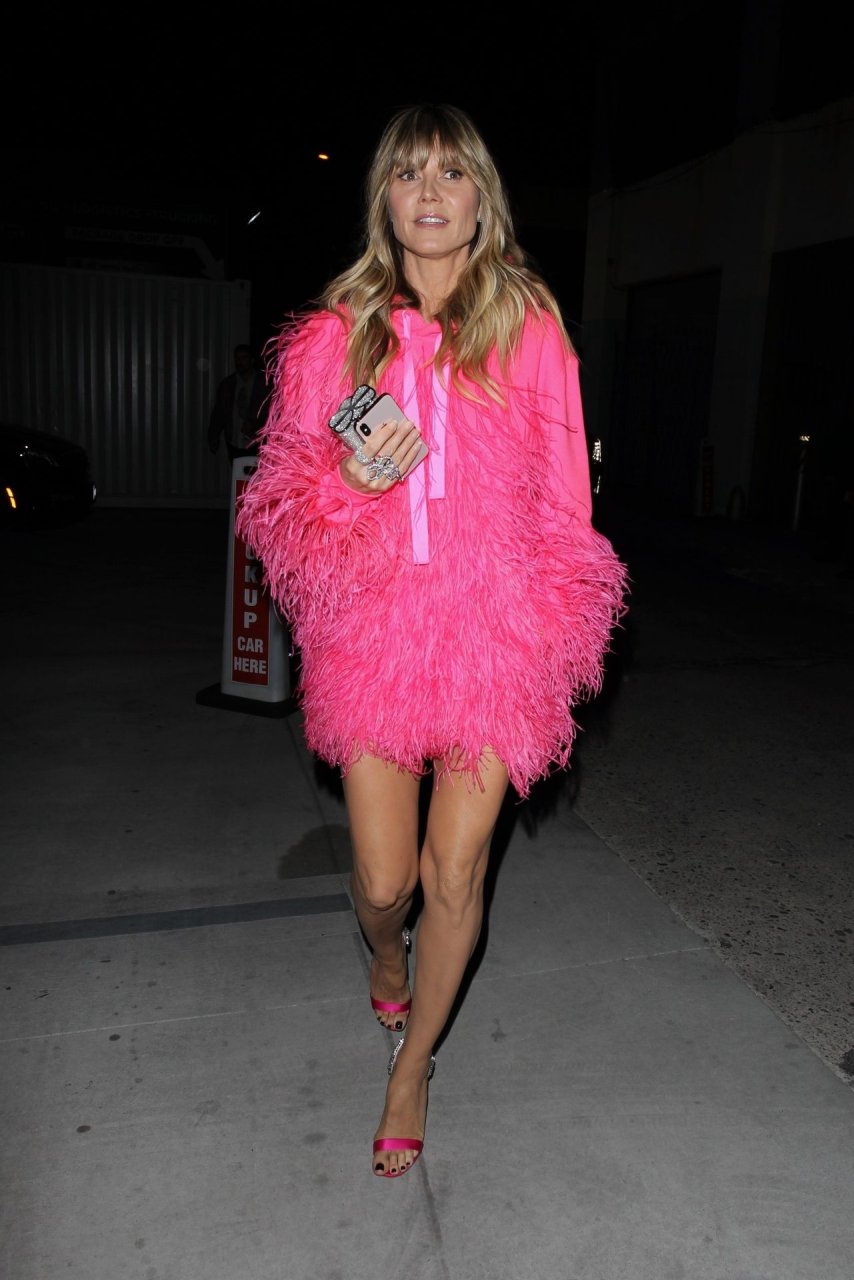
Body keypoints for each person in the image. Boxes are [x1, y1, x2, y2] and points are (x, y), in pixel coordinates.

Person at [235, 103, 629, 1178]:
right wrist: (349, 482)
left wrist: (548, 636)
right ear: (385, 200)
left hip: (497, 631)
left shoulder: (527, 325)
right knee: (384, 880)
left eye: (451, 173)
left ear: (479, 198)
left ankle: (412, 1068)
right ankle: (383, 954)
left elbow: (569, 506)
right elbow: (281, 508)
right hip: (374, 633)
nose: (429, 192)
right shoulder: (335, 336)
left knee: (455, 872)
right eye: (409, 173)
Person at [207, 344, 270, 461]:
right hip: (234, 441)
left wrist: (255, 424)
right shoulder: (227, 384)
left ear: (252, 360)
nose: (240, 362)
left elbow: (269, 412)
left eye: (244, 358)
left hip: (257, 441)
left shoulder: (263, 384)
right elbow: (219, 412)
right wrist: (213, 436)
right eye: (237, 358)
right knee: (236, 471)